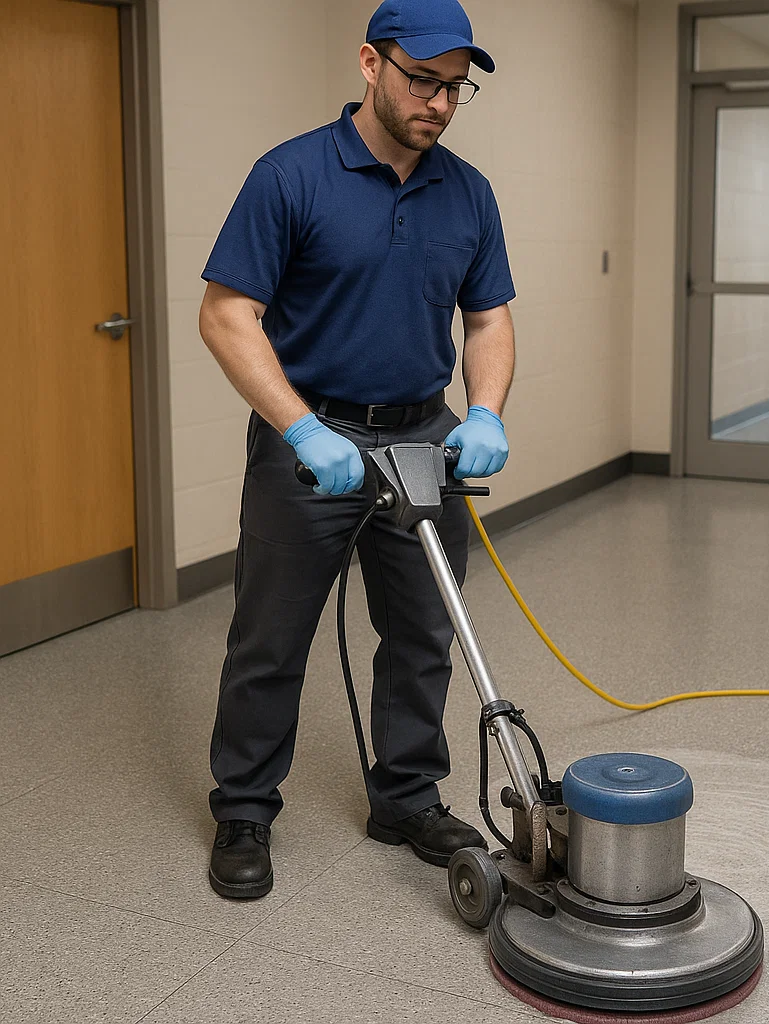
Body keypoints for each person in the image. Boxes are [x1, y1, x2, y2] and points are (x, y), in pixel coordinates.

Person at [197, 0, 515, 899]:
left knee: (422, 631)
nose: (441, 104)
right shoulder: (291, 176)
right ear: (370, 64)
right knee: (271, 634)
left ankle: (407, 796)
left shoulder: (468, 190)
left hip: (424, 431)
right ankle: (246, 807)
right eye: (424, 80)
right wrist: (300, 427)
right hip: (314, 439)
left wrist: (482, 411)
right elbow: (226, 316)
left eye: (458, 88)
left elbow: (488, 317)